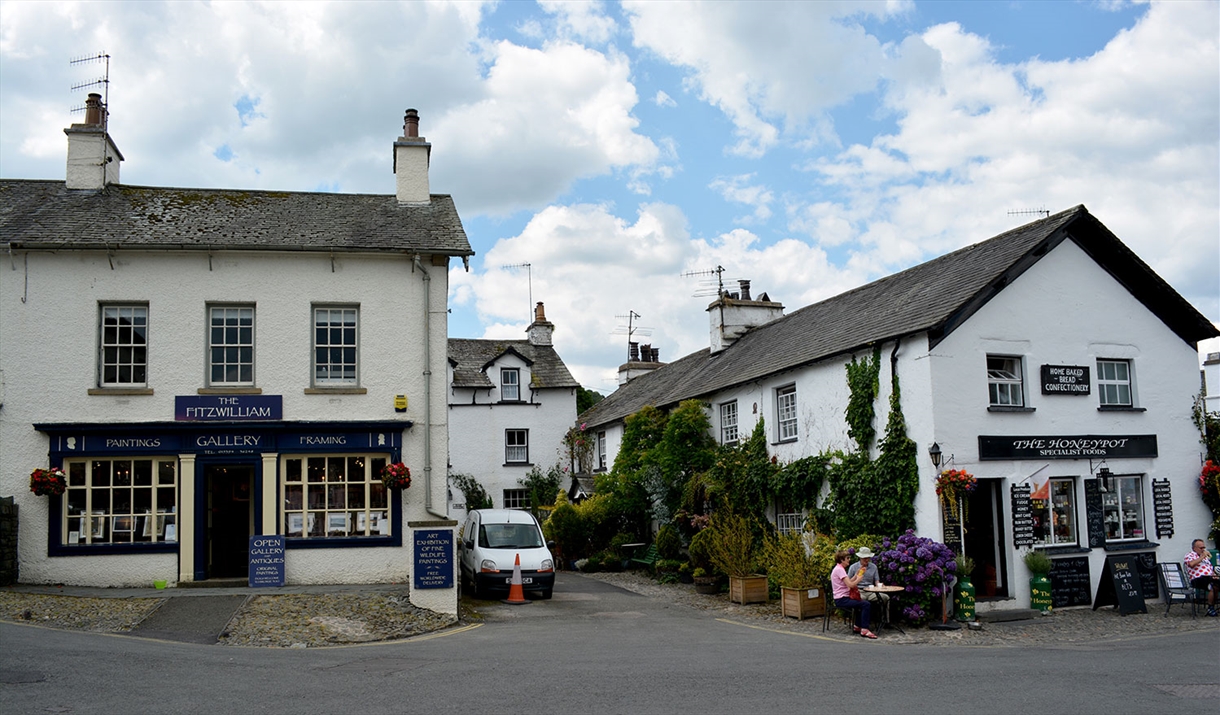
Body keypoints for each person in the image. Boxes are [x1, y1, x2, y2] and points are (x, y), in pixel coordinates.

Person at [831, 549, 876, 639]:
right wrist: (859, 579)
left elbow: (849, 581)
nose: (849, 560)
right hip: (841, 599)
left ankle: (857, 626)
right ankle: (864, 629)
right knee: (866, 604)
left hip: (842, 597)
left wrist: (856, 574)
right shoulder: (840, 570)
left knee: (861, 603)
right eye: (847, 558)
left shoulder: (839, 568)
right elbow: (851, 585)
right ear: (842, 559)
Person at [1184, 539, 1219, 617]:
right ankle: (1210, 608)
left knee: (1216, 584)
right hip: (1197, 578)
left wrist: (1214, 574)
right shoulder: (1190, 555)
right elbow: (1191, 564)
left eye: (1204, 547)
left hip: (1209, 577)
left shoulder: (1206, 558)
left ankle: (1212, 606)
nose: (1203, 549)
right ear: (1194, 548)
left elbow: (1210, 569)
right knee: (1213, 585)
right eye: (1201, 548)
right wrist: (1202, 557)